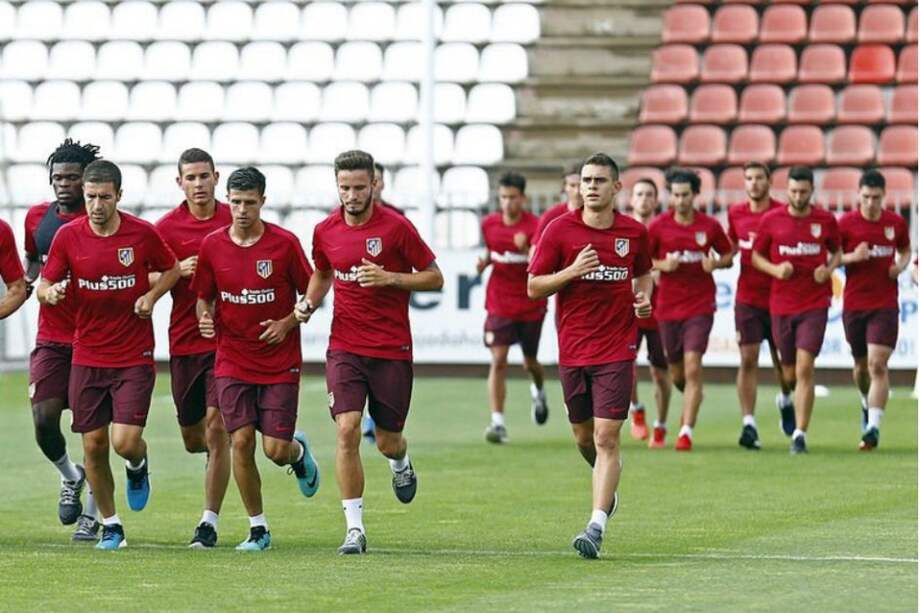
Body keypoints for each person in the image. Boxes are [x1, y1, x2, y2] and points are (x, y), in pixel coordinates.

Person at [295, 150, 442, 555]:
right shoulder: (325, 230)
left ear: (375, 184)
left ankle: (401, 463)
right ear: (336, 186)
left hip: (391, 349)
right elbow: (323, 272)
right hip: (345, 347)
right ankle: (354, 529)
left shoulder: (396, 228)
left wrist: (390, 278)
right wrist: (308, 303)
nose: (352, 195)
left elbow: (434, 276)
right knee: (347, 429)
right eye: (345, 187)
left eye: (360, 187)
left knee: (388, 441)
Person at [37, 160, 180, 550]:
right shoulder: (69, 237)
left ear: (119, 195)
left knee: (124, 442)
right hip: (87, 354)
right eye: (90, 197)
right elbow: (44, 282)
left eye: (104, 197)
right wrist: (50, 293)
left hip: (133, 353)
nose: (97, 205)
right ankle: (112, 525)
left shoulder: (141, 234)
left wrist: (151, 296)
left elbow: (172, 269)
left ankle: (138, 465)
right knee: (94, 445)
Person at [528, 152, 653, 559]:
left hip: (617, 348)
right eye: (586, 180)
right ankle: (607, 485)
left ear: (617, 187)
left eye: (600, 180)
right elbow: (534, 287)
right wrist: (571, 272)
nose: (592, 187)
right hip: (573, 350)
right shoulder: (558, 231)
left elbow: (643, 272)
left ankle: (595, 525)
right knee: (584, 437)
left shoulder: (634, 232)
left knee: (605, 436)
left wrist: (644, 300)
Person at [194, 167, 320, 552]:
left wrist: (289, 321)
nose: (242, 210)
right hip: (232, 359)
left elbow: (312, 284)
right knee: (241, 440)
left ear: (263, 202)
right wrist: (203, 315)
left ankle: (297, 453)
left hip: (279, 360)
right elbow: (204, 294)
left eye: (250, 203)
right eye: (235, 202)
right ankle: (258, 529)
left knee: (274, 450)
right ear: (227, 201)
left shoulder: (283, 244)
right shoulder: (213, 245)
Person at [154, 148, 232, 547]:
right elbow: (142, 276)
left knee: (218, 428)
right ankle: (288, 447)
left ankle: (208, 522)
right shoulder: (166, 229)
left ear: (216, 177)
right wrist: (173, 272)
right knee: (193, 438)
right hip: (184, 341)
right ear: (179, 181)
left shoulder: (235, 216)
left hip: (228, 343)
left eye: (205, 176)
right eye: (191, 177)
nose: (198, 184)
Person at [23, 139, 100, 540]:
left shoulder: (105, 220)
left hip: (96, 339)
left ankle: (93, 514)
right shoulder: (37, 219)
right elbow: (32, 267)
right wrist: (34, 286)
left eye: (72, 177)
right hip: (52, 337)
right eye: (57, 177)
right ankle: (71, 476)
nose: (63, 184)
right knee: (43, 420)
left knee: (92, 429)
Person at [752, 166, 841, 455]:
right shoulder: (772, 220)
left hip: (814, 304)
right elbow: (756, 256)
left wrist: (827, 269)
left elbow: (837, 251)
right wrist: (776, 269)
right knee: (789, 373)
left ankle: (800, 435)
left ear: (811, 191)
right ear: (786, 190)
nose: (798, 196)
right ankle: (785, 399)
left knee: (805, 367)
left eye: (803, 191)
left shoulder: (825, 220)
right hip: (781, 305)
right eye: (793, 191)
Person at [648, 169, 733, 451]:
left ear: (695, 195)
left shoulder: (709, 226)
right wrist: (662, 265)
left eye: (685, 195)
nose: (680, 200)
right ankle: (694, 395)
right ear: (669, 196)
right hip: (667, 307)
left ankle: (686, 431)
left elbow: (729, 254)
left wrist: (717, 264)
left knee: (693, 364)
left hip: (700, 305)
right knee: (677, 373)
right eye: (675, 194)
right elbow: (642, 260)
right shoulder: (659, 226)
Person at [838, 169, 911, 450]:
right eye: (866, 197)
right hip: (855, 304)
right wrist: (851, 257)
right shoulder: (846, 224)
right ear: (858, 195)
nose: (870, 203)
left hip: (884, 305)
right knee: (860, 368)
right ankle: (865, 403)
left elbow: (905, 250)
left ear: (884, 196)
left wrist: (901, 266)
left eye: (876, 198)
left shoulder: (894, 223)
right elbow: (831, 259)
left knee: (877, 364)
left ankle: (873, 428)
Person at [726, 162, 794, 450]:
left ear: (769, 182)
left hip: (780, 298)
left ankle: (786, 399)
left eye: (759, 178)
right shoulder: (735, 213)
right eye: (749, 178)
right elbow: (730, 246)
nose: (754, 183)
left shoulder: (781, 213)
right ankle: (749, 424)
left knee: (786, 369)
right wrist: (720, 258)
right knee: (748, 358)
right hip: (748, 299)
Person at [477, 171, 548, 443]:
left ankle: (538, 391)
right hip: (499, 303)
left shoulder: (536, 226)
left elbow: (542, 262)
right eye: (503, 197)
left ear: (523, 198)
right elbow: (490, 252)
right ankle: (497, 423)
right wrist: (484, 262)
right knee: (498, 359)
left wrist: (529, 247)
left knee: (530, 362)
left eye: (513, 197)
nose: (507, 203)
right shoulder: (489, 224)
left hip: (530, 304)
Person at [627, 178, 671, 447]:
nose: (643, 199)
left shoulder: (664, 229)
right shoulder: (622, 229)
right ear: (631, 199)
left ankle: (661, 425)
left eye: (649, 195)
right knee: (625, 365)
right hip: (628, 310)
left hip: (660, 310)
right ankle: (637, 410)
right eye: (639, 194)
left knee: (660, 372)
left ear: (656, 200)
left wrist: (660, 268)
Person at [533, 163, 583, 246]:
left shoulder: (597, 215)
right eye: (572, 185)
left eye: (580, 185)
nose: (577, 191)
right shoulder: (551, 216)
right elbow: (535, 250)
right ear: (564, 187)